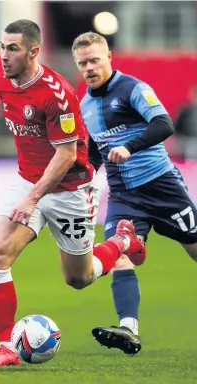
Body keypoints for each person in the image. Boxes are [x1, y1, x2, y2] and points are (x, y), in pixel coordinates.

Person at [0, 20, 146, 367]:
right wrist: (29, 192)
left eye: (13, 49)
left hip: (69, 188)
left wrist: (33, 198)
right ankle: (6, 347)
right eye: (2, 47)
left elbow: (67, 154)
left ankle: (122, 241)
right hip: (29, 181)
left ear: (33, 51)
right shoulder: (5, 85)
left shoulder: (57, 93)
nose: (4, 56)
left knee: (78, 278)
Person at [72, 32, 197, 355]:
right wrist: (83, 179)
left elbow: (164, 124)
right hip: (124, 196)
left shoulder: (133, 89)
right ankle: (129, 329)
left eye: (94, 60)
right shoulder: (84, 104)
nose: (89, 67)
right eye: (83, 63)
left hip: (162, 187)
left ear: (109, 57)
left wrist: (129, 146)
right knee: (120, 255)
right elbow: (97, 151)